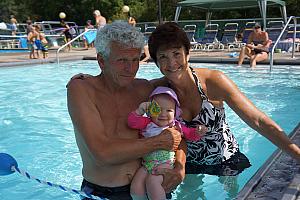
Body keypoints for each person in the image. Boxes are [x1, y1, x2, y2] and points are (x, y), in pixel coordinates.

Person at [147, 22, 300, 176]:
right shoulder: (159, 91)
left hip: (226, 160)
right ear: (156, 62)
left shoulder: (213, 81)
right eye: (163, 57)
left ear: (187, 53)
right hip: (187, 164)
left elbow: (257, 120)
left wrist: (296, 153)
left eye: (176, 54)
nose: (171, 63)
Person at [67, 21, 185, 200]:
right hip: (102, 192)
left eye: (135, 60)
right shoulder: (82, 90)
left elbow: (177, 130)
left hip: (149, 186)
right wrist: (158, 142)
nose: (130, 69)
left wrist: (179, 168)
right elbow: (102, 153)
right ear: (101, 61)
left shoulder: (144, 90)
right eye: (122, 60)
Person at [129, 86, 207, 200]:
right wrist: (140, 110)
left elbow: (190, 135)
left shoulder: (175, 125)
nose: (163, 114)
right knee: (136, 186)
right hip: (147, 164)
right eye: (158, 109)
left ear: (175, 112)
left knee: (153, 182)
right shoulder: (147, 123)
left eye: (169, 110)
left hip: (165, 162)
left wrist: (198, 132)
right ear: (150, 110)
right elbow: (132, 122)